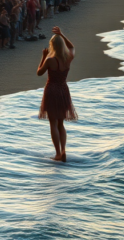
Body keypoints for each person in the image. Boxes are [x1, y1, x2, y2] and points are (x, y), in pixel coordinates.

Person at [37, 26, 78, 162]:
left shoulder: (50, 60)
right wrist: (62, 34)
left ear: (52, 46)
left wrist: (43, 57)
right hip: (63, 90)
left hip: (51, 90)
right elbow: (72, 47)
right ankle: (64, 149)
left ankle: (58, 153)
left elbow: (39, 72)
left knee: (53, 123)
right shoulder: (68, 57)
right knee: (61, 123)